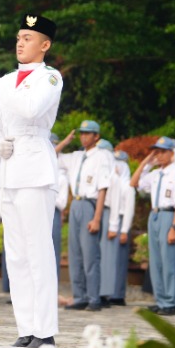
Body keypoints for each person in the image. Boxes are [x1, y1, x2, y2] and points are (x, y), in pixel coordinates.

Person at [0, 14, 64, 347]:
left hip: (34, 167)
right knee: (16, 255)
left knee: (38, 251)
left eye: (28, 37)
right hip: (10, 168)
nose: (20, 42)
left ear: (44, 45)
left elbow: (31, 110)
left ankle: (45, 331)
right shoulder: (8, 80)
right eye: (18, 36)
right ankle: (26, 327)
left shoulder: (49, 77)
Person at [56, 120, 111, 311]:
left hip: (90, 204)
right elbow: (52, 155)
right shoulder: (76, 156)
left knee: (90, 255)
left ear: (97, 136)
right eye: (81, 133)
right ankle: (79, 296)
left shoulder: (102, 157)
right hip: (76, 204)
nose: (84, 136)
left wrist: (97, 218)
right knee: (75, 254)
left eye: (88, 133)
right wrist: (65, 141)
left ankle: (94, 298)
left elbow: (103, 188)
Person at [133, 138, 175, 316]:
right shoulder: (156, 174)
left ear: (172, 154)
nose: (159, 155)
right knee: (156, 260)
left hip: (169, 215)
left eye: (163, 151)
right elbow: (134, 182)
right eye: (156, 151)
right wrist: (146, 162)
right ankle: (160, 299)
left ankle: (171, 301)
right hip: (155, 215)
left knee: (169, 260)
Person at [99, 145, 134, 307]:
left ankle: (116, 293)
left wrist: (124, 230)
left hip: (118, 221)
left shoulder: (127, 185)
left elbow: (128, 211)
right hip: (110, 218)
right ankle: (110, 292)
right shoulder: (114, 180)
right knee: (109, 258)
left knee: (116, 260)